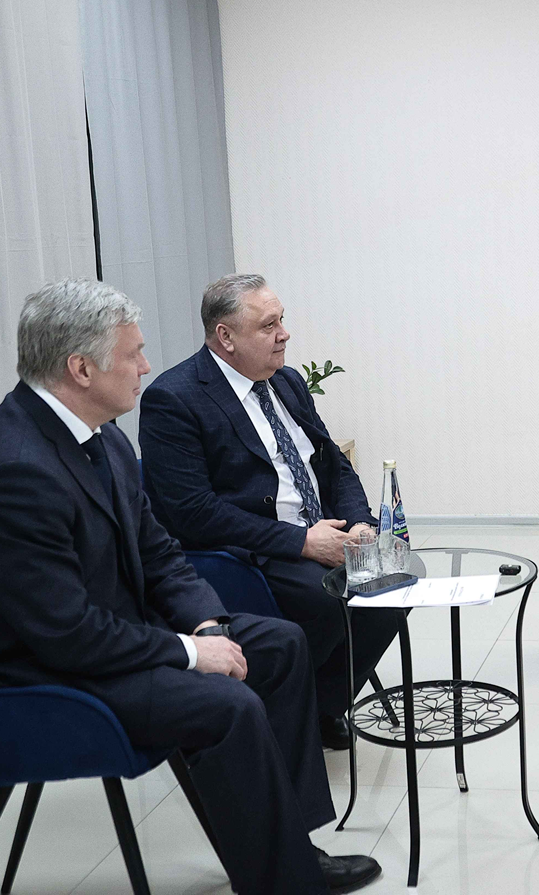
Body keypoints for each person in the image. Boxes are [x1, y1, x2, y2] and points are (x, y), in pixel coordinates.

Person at [0, 279, 380, 895]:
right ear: (81, 369)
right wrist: (191, 653)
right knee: (227, 705)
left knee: (278, 645)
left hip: (100, 633)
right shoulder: (11, 470)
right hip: (31, 674)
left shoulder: (101, 435)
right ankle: (285, 879)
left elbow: (158, 552)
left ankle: (289, 847)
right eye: (133, 353)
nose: (145, 366)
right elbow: (67, 635)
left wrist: (208, 624)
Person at [141, 274, 398, 751]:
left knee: (391, 588)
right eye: (268, 325)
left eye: (282, 320)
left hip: (323, 529)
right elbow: (191, 512)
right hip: (254, 547)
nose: (284, 334)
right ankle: (287, 713)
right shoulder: (174, 399)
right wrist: (302, 542)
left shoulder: (287, 381)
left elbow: (332, 463)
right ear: (225, 336)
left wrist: (361, 522)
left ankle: (320, 707)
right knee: (325, 598)